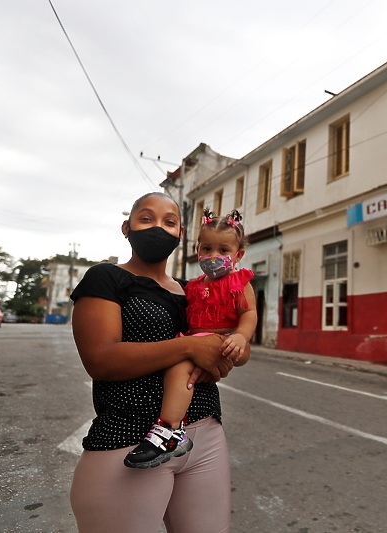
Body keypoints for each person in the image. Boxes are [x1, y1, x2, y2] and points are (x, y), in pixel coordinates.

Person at [69, 191, 239, 533]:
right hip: (130, 439)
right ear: (126, 227)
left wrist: (222, 354)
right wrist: (188, 348)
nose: (158, 228)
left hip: (205, 438)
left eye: (170, 222)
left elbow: (219, 355)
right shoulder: (107, 278)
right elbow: (101, 360)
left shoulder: (194, 290)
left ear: (180, 235)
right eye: (146, 219)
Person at [124, 207, 257, 468]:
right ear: (197, 249)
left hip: (226, 339)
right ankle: (175, 424)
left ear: (238, 255)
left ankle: (170, 430)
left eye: (223, 250)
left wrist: (241, 337)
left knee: (180, 365)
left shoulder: (239, 282)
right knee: (178, 362)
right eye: (206, 249)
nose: (213, 256)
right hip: (199, 339)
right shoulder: (194, 286)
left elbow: (249, 313)